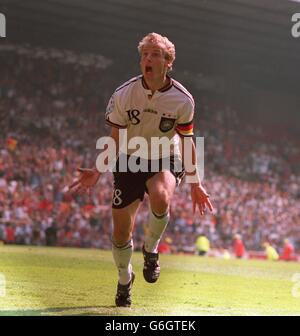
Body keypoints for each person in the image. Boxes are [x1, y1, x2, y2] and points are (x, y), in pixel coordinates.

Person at [66, 32, 213, 307]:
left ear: (168, 62)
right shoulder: (124, 94)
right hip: (129, 159)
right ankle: (125, 279)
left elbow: (187, 140)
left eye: (155, 54)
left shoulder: (183, 100)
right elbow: (115, 137)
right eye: (144, 54)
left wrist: (196, 182)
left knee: (161, 195)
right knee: (121, 232)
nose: (148, 58)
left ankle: (151, 249)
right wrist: (98, 170)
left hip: (164, 157)